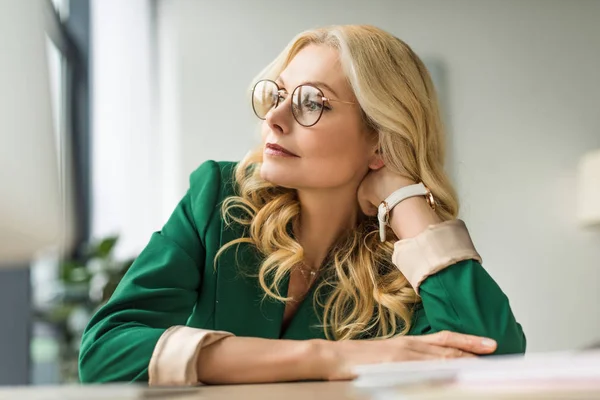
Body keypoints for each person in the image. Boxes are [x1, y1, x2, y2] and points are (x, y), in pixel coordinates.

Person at [79, 25, 526, 386]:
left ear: (380, 140)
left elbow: (492, 356)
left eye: (312, 103)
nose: (274, 117)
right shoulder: (219, 196)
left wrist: (407, 200)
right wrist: (330, 357)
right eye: (276, 95)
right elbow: (105, 352)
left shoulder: (405, 256)